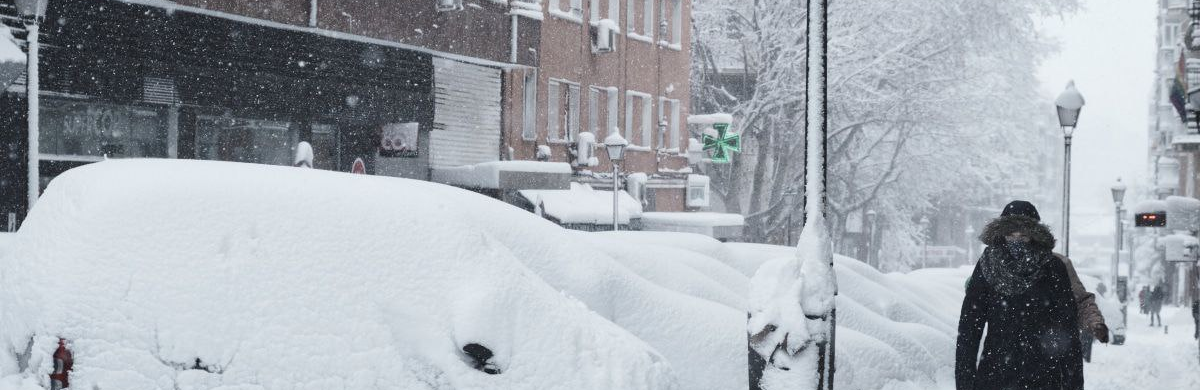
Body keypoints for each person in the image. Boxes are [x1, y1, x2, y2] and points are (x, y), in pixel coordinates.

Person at [956, 201, 1084, 390]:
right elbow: (969, 328)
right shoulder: (987, 266)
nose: (1016, 241)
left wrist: (1073, 383)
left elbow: (1067, 330)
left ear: (1034, 236)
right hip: (996, 374)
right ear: (1002, 235)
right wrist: (965, 382)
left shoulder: (1052, 268)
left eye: (1023, 235)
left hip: (1044, 375)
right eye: (1010, 235)